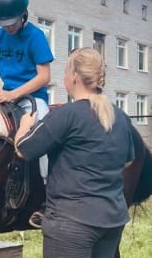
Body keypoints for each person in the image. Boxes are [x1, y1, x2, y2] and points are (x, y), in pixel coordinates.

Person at [14, 48, 134, 258]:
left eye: (66, 71)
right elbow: (127, 161)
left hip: (72, 224)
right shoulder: (121, 117)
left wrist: (25, 125)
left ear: (74, 77)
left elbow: (24, 149)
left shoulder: (66, 115)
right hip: (112, 221)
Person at [0, 0, 54, 227]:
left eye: (11, 23)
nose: (8, 28)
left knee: (44, 136)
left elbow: (44, 76)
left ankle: (49, 194)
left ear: (23, 14)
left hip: (33, 99)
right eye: (3, 24)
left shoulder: (35, 36)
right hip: (4, 94)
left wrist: (15, 95)